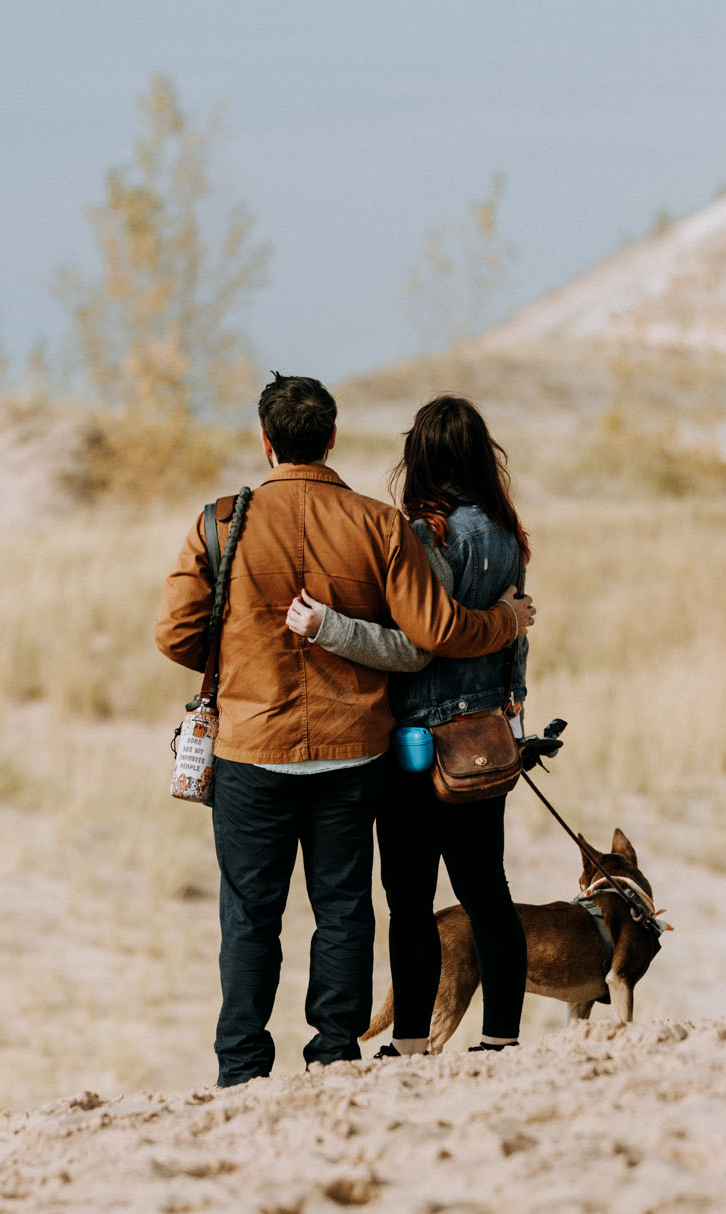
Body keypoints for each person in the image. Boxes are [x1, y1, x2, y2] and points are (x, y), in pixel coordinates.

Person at [155, 374, 536, 1087]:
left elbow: (175, 634)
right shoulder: (378, 524)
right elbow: (431, 635)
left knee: (249, 916)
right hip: (353, 750)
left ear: (265, 441)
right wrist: (508, 622)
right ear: (331, 437)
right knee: (343, 911)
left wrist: (242, 660)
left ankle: (242, 1069)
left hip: (250, 751)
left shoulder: (219, 522)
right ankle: (334, 1053)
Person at [284, 394, 531, 1055]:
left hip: (415, 744)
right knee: (487, 892)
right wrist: (513, 702)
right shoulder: (506, 533)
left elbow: (418, 640)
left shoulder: (422, 535)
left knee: (411, 899)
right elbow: (517, 626)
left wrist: (329, 628)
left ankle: (413, 1043)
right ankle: (501, 1039)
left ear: (419, 455)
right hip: (482, 740)